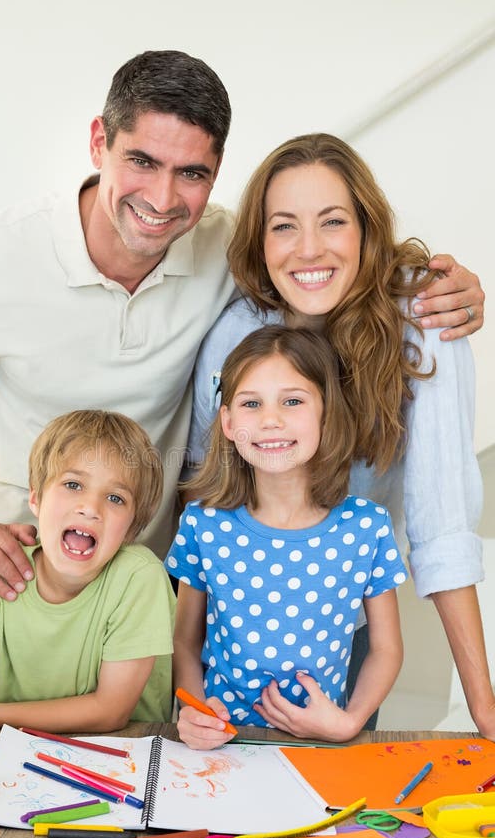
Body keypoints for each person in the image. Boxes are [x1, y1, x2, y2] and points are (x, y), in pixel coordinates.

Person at [0, 51, 484, 698]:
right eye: (142, 161)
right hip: (9, 569)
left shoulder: (228, 253)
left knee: (154, 783)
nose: (163, 198)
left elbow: (318, 265)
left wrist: (425, 284)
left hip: (146, 581)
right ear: (99, 142)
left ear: (216, 174)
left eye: (192, 173)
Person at [186, 133, 494, 739]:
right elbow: (204, 490)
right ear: (259, 240)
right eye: (283, 227)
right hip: (225, 660)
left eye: (332, 222)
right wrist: (188, 696)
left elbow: (444, 522)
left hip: (340, 633)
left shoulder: (423, 322)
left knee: (331, 813)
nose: (309, 249)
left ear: (365, 230)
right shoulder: (234, 339)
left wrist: (486, 711)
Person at [167, 326, 406, 747]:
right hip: (222, 750)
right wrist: (194, 710)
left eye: (292, 401)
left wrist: (350, 722)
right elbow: (185, 642)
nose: (271, 420)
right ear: (227, 421)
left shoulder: (367, 527)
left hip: (322, 748)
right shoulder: (202, 524)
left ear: (327, 412)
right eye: (251, 403)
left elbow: (386, 650)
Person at [0, 409, 176, 739]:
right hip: (26, 759)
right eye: (73, 484)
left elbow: (111, 709)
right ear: (36, 497)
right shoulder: (2, 571)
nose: (90, 507)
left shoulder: (140, 578)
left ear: (131, 528)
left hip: (127, 757)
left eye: (115, 498)